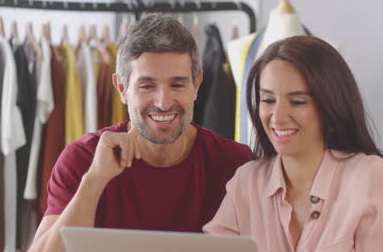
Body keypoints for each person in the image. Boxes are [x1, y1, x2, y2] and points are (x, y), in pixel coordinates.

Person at [28, 14, 252, 252]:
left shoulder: (236, 164)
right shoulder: (83, 159)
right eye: (147, 86)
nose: (164, 102)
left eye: (177, 85)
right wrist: (94, 181)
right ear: (122, 89)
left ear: (196, 86)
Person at [203, 36, 383, 251]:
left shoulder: (369, 176)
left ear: (330, 104)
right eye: (268, 100)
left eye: (297, 102)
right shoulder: (247, 181)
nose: (278, 117)